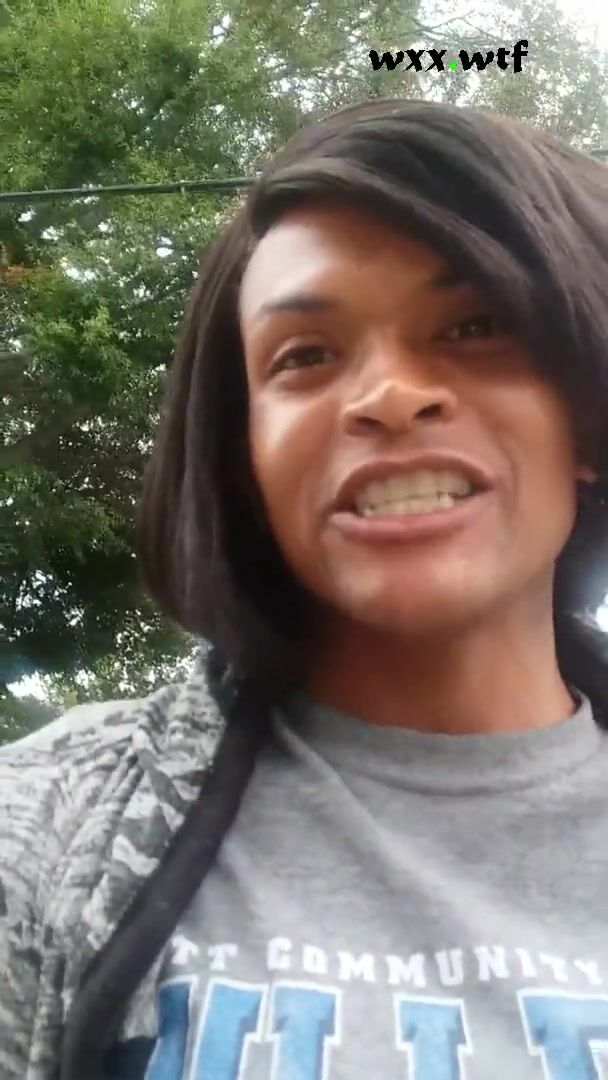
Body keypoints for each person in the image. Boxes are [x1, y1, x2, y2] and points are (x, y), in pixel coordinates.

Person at [2, 97, 608, 1080]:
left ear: (584, 412)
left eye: (473, 326)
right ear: (245, 457)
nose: (389, 396)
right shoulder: (41, 824)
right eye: (306, 357)